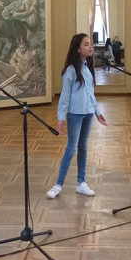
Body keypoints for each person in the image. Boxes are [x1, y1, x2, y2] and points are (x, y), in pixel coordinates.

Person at [47, 33, 107, 199]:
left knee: (83, 147)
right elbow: (65, 96)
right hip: (75, 113)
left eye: (90, 43)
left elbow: (90, 94)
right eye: (86, 44)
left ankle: (81, 183)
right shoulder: (70, 70)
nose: (90, 46)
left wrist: (97, 112)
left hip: (88, 112)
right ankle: (58, 184)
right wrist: (61, 118)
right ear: (78, 49)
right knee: (71, 148)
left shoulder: (88, 67)